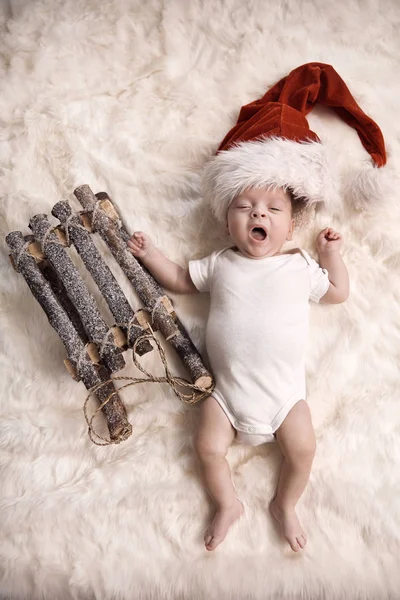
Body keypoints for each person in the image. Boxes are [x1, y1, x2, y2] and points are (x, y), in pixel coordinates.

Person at [127, 183, 349, 553]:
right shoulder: (220, 263)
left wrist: (329, 254)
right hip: (227, 394)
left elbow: (339, 293)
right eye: (245, 207)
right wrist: (151, 254)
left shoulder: (300, 265)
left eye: (273, 210)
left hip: (285, 396)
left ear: (291, 229)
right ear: (229, 225)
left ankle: (285, 503)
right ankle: (227, 503)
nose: (259, 213)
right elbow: (181, 280)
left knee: (304, 449)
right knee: (207, 446)